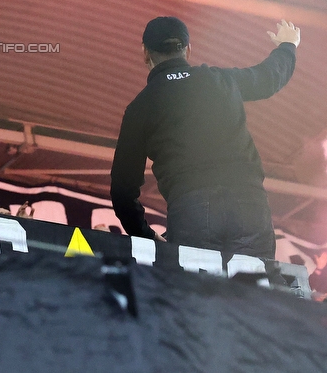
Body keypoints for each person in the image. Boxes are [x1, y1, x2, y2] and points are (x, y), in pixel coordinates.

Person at [110, 17, 300, 260]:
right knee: (253, 295)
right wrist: (288, 45)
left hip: (191, 210)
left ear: (146, 54)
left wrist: (146, 236)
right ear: (188, 49)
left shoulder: (140, 107)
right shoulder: (221, 81)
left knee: (199, 295)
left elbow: (122, 189)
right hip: (248, 202)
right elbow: (268, 78)